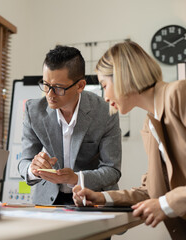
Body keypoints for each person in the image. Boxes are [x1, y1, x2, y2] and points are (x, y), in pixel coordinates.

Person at [72, 40, 186, 239]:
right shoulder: (150, 125)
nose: (105, 96)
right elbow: (152, 189)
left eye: (104, 85)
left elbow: (162, 199)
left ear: (122, 76)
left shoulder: (178, 94)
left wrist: (165, 204)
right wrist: (102, 197)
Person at [18, 45, 122, 205]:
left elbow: (112, 170)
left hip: (91, 197)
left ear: (80, 86)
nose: (49, 94)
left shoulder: (105, 111)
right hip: (48, 201)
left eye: (58, 88)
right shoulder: (33, 111)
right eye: (46, 85)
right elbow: (24, 161)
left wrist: (76, 178)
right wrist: (33, 169)